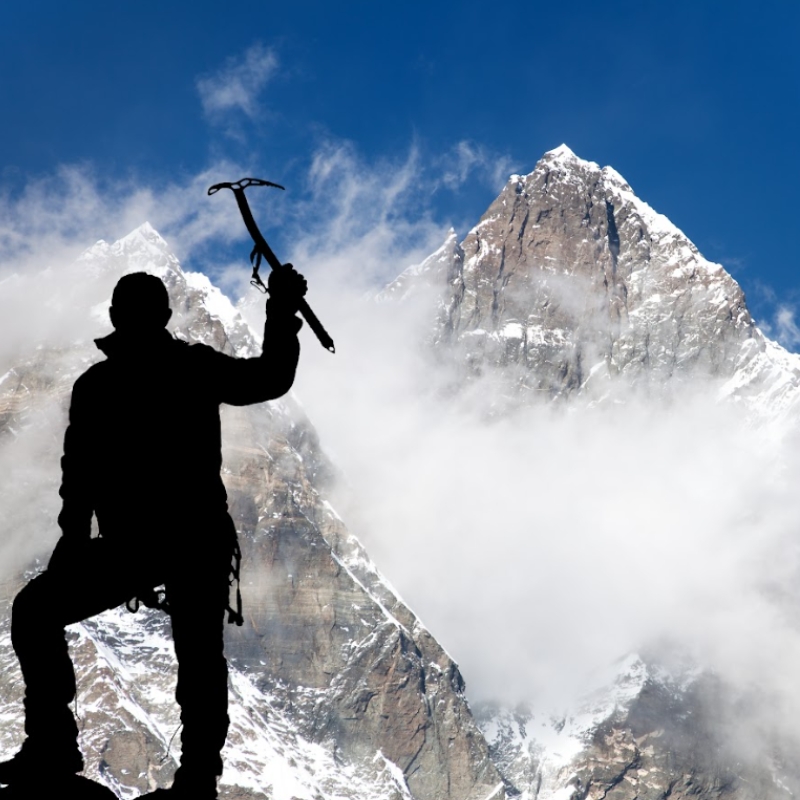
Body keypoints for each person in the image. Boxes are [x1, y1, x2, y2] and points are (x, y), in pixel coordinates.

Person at [0, 266, 307, 799]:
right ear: (164, 316)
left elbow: (79, 476)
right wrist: (281, 310)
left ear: (114, 316)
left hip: (133, 546)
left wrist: (72, 543)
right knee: (200, 656)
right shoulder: (194, 367)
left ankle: (52, 745)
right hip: (195, 540)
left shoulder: (96, 386)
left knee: (35, 612)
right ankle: (197, 777)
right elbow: (270, 377)